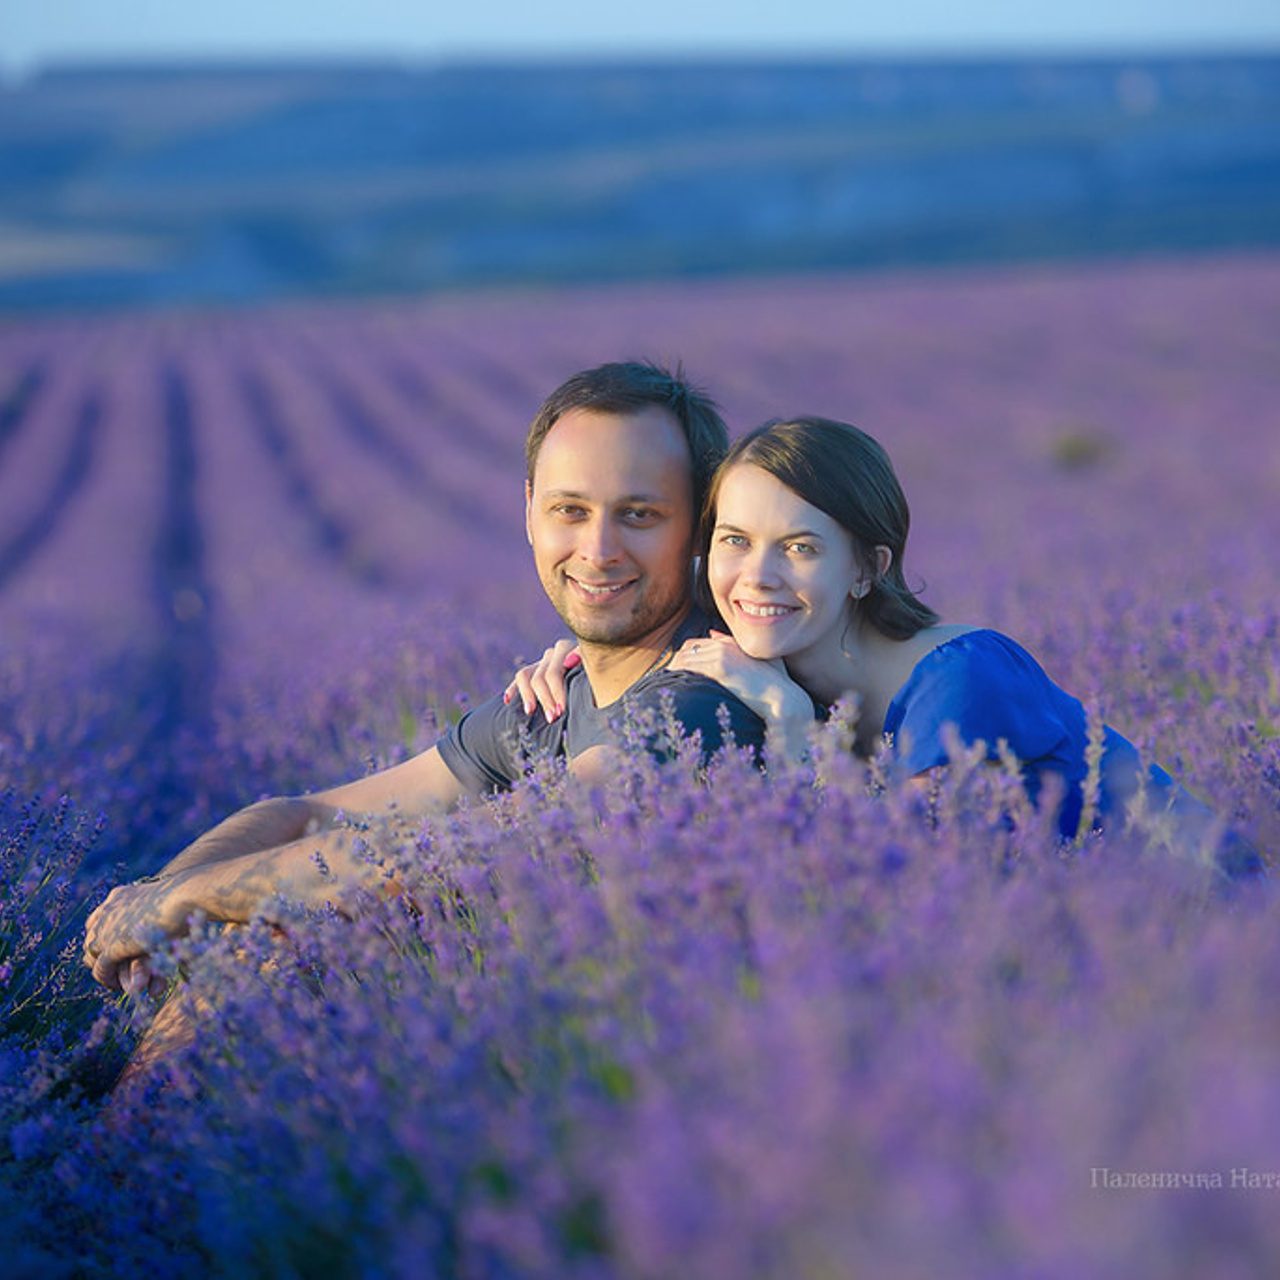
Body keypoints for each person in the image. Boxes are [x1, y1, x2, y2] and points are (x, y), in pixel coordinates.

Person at [83, 361, 766, 998]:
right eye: (570, 510)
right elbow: (299, 816)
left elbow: (424, 857)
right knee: (268, 924)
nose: (598, 549)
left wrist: (183, 904)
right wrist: (153, 909)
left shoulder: (706, 698)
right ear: (529, 511)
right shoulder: (550, 699)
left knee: (286, 933)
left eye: (639, 515)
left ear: (702, 526)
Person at [512, 415, 1264, 875]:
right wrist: (578, 660)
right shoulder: (762, 648)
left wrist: (794, 726)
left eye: (801, 548)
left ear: (868, 569)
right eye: (736, 539)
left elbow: (897, 875)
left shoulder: (961, 680)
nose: (758, 576)